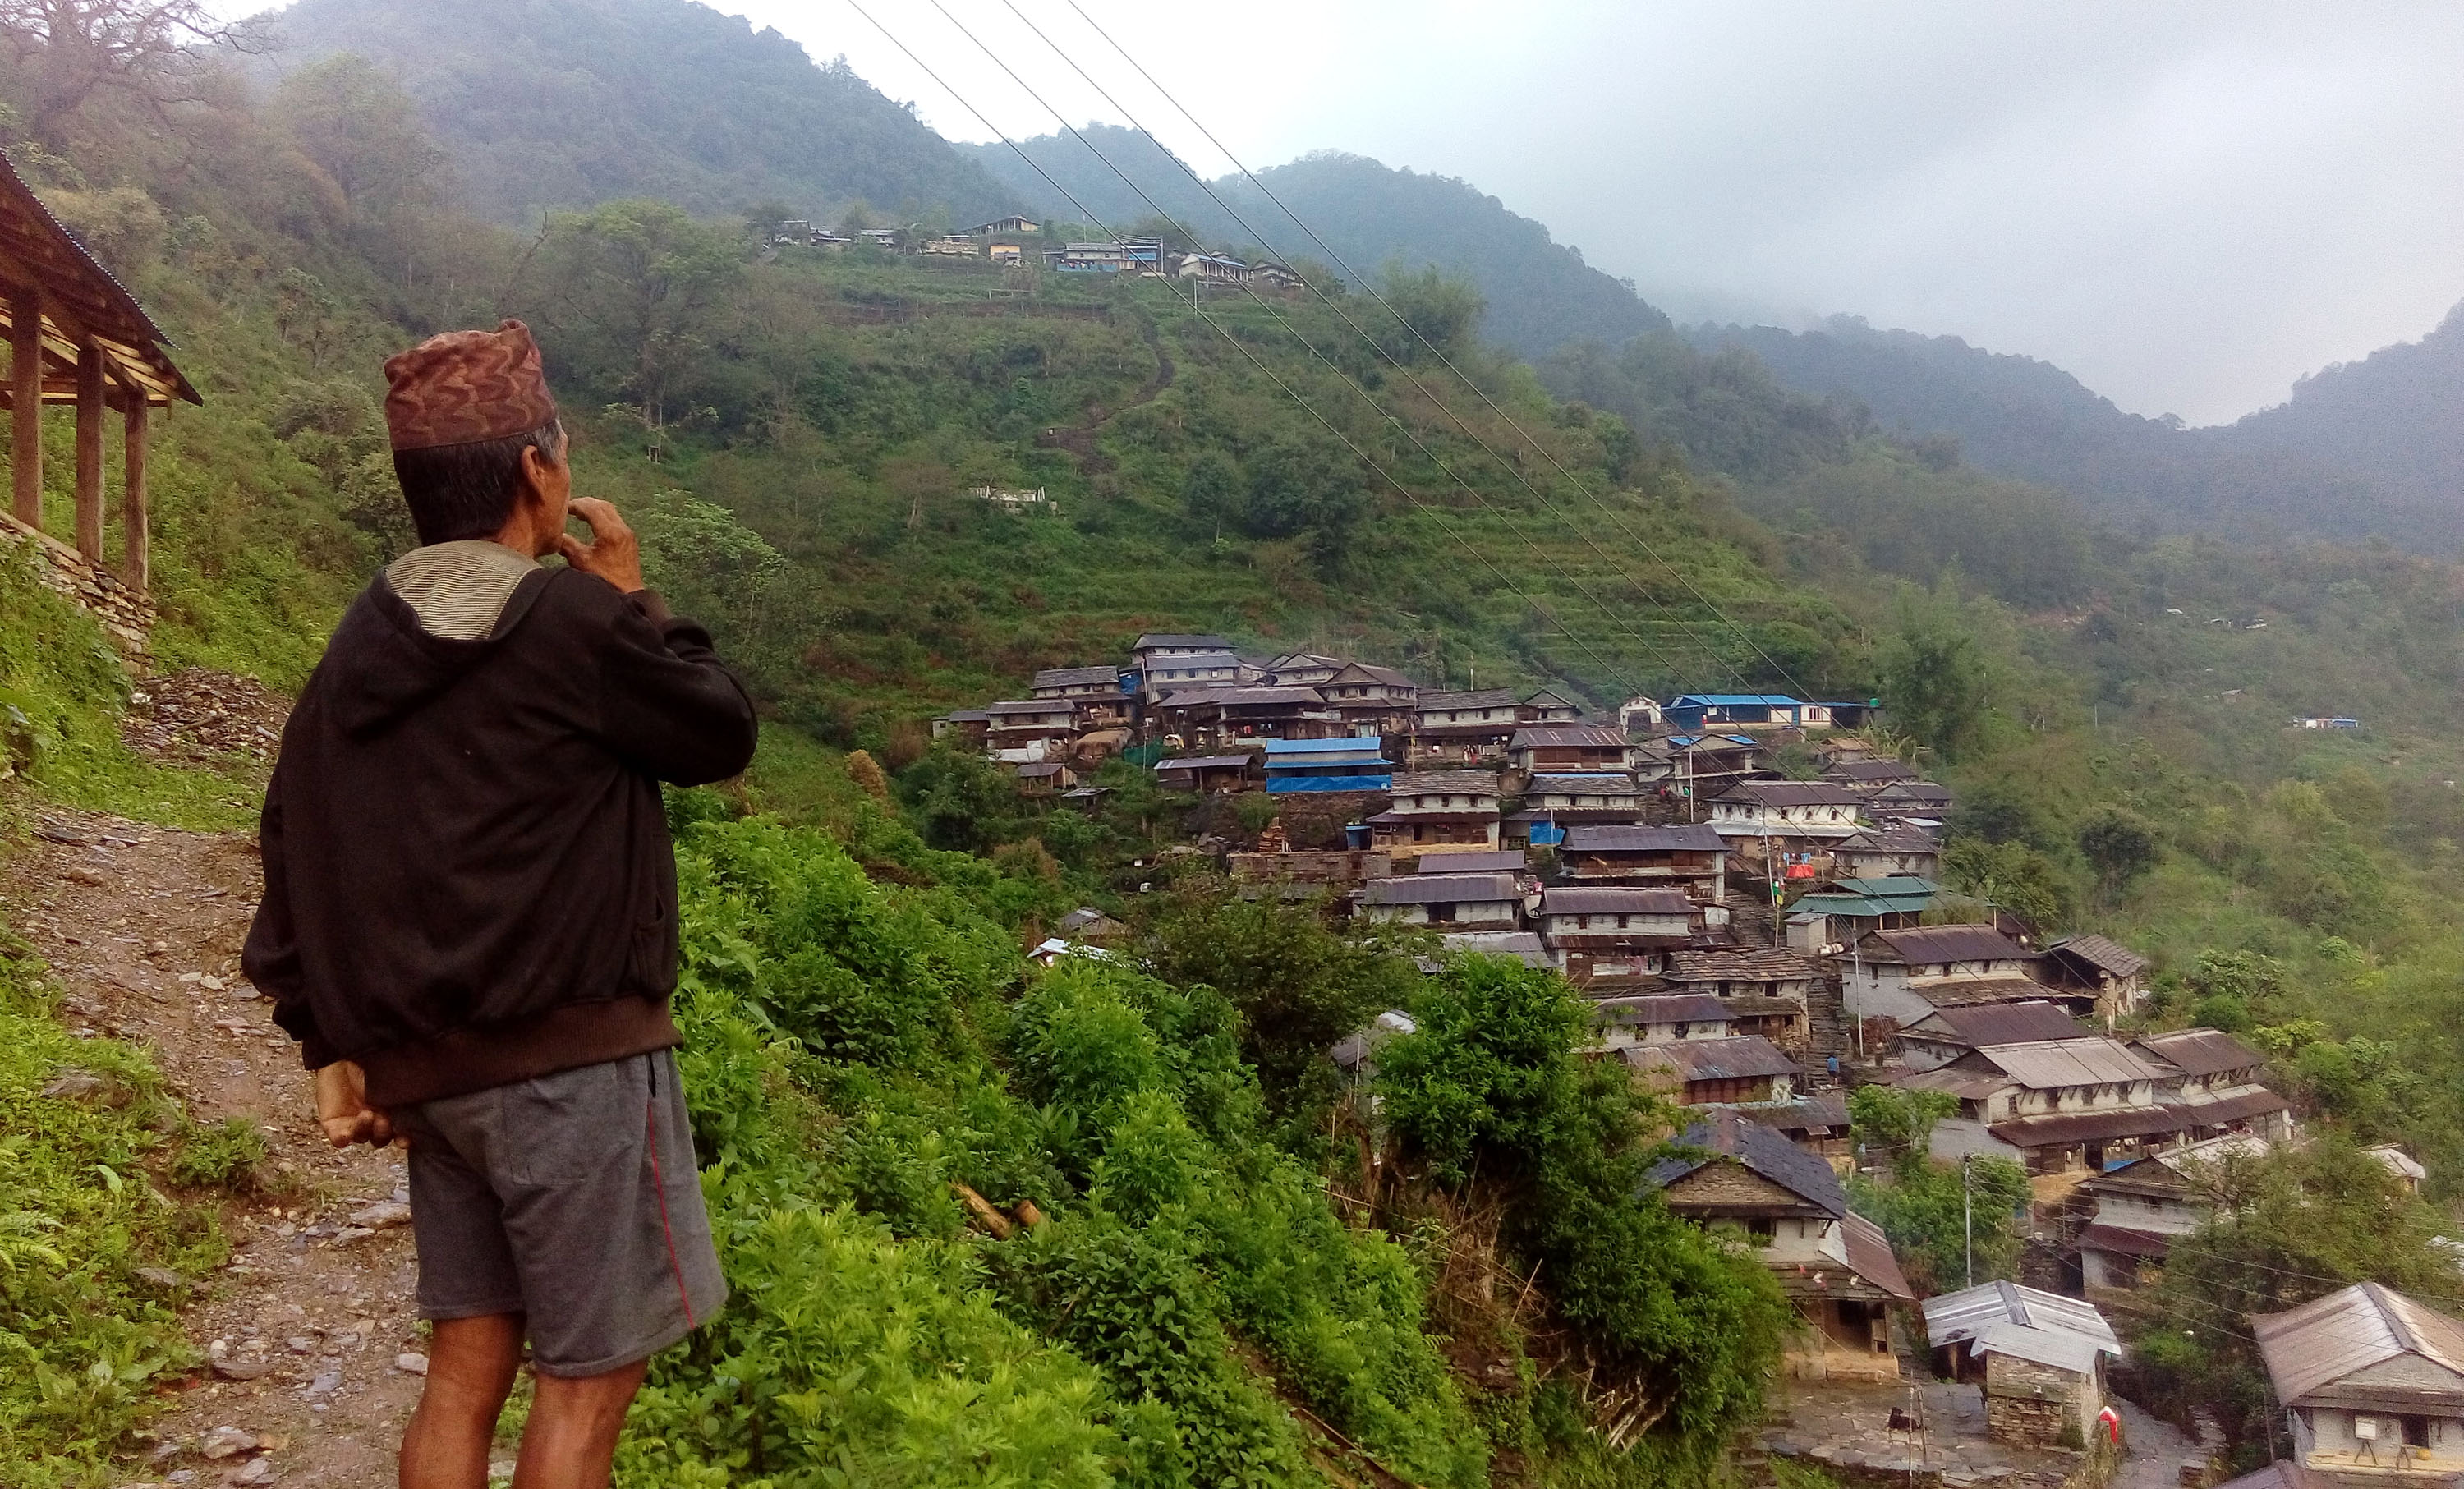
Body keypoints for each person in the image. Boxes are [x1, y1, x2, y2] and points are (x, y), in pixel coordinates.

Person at [243, 320, 760, 1489]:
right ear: (539, 471)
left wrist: (328, 1034)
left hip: (436, 1080)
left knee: (468, 1363)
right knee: (587, 1384)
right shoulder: (575, 626)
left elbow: (288, 833)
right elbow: (718, 730)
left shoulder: (359, 643)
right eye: (560, 442)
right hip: (573, 1068)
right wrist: (635, 602)